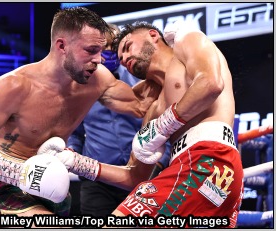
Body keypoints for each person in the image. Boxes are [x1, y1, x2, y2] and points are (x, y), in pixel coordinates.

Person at [0, 8, 160, 228]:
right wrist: (22, 174)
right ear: (61, 46)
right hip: (3, 186)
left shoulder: (97, 81)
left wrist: (169, 59)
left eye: (100, 51)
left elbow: (141, 106)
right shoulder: (13, 87)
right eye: (91, 50)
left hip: (55, 191)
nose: (99, 60)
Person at [52, 20, 244, 228]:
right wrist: (75, 162)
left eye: (127, 47)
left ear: (153, 35)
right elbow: (133, 176)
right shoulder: (155, 108)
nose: (125, 58)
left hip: (209, 159)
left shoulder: (185, 41)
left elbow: (210, 84)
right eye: (121, 59)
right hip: (200, 170)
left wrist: (164, 125)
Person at [67, 23, 142, 217]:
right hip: (97, 179)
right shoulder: (79, 86)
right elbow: (73, 131)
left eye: (112, 46)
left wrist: (160, 163)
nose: (107, 51)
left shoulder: (142, 80)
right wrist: (72, 152)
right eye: (102, 46)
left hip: (141, 175)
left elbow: (160, 124)